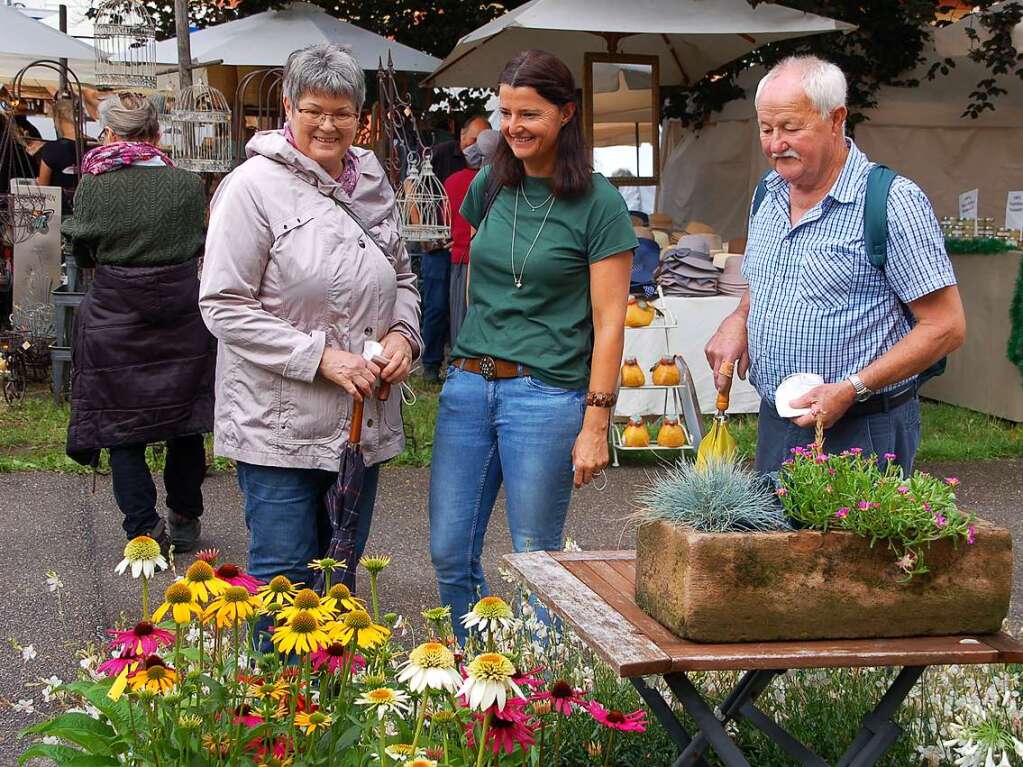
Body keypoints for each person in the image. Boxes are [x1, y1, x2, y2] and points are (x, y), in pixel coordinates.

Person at [200, 44, 421, 605]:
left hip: (357, 424)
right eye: (313, 110)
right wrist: (320, 356)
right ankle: (271, 694)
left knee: (339, 578)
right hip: (279, 428)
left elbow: (403, 280)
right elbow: (223, 304)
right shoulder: (252, 187)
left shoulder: (372, 183)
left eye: (342, 112)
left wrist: (403, 335)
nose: (327, 124)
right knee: (283, 581)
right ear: (288, 108)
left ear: (359, 117)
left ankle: (328, 693)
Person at [428, 49, 636, 643]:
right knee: (448, 551)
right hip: (468, 385)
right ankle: (478, 677)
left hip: (545, 396)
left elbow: (610, 322)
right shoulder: (491, 185)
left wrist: (597, 420)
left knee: (536, 560)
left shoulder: (599, 203)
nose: (512, 127)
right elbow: (474, 280)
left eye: (530, 114)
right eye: (505, 112)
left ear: (566, 114)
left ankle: (541, 696)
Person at [704, 56, 965, 477]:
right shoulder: (767, 194)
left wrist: (852, 388)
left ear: (835, 119)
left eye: (790, 128)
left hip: (864, 426)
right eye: (766, 129)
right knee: (774, 542)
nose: (774, 144)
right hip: (778, 422)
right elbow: (764, 285)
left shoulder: (891, 201)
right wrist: (738, 320)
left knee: (852, 545)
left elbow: (946, 327)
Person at [64, 93, 214, 552]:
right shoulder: (189, 183)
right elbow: (201, 240)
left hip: (115, 309)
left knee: (120, 425)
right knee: (185, 419)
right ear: (157, 133)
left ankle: (143, 528)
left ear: (109, 133)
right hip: (182, 307)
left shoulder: (94, 184)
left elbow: (84, 249)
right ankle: (185, 519)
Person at [419, 114, 492, 383]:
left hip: (463, 250)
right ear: (462, 137)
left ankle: (461, 364)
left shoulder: (490, 171)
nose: (476, 147)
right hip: (439, 245)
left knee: (463, 306)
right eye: (473, 140)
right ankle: (431, 363)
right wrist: (430, 237)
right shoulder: (439, 155)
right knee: (437, 306)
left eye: (483, 142)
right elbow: (416, 193)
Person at [443, 128, 499, 347]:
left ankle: (461, 362)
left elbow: (446, 221)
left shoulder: (453, 181)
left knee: (461, 316)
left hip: (462, 256)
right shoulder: (507, 184)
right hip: (496, 263)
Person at [36, 98, 80, 213]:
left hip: (60, 212)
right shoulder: (93, 146)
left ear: (58, 119)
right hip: (87, 213)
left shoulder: (52, 149)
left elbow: (43, 187)